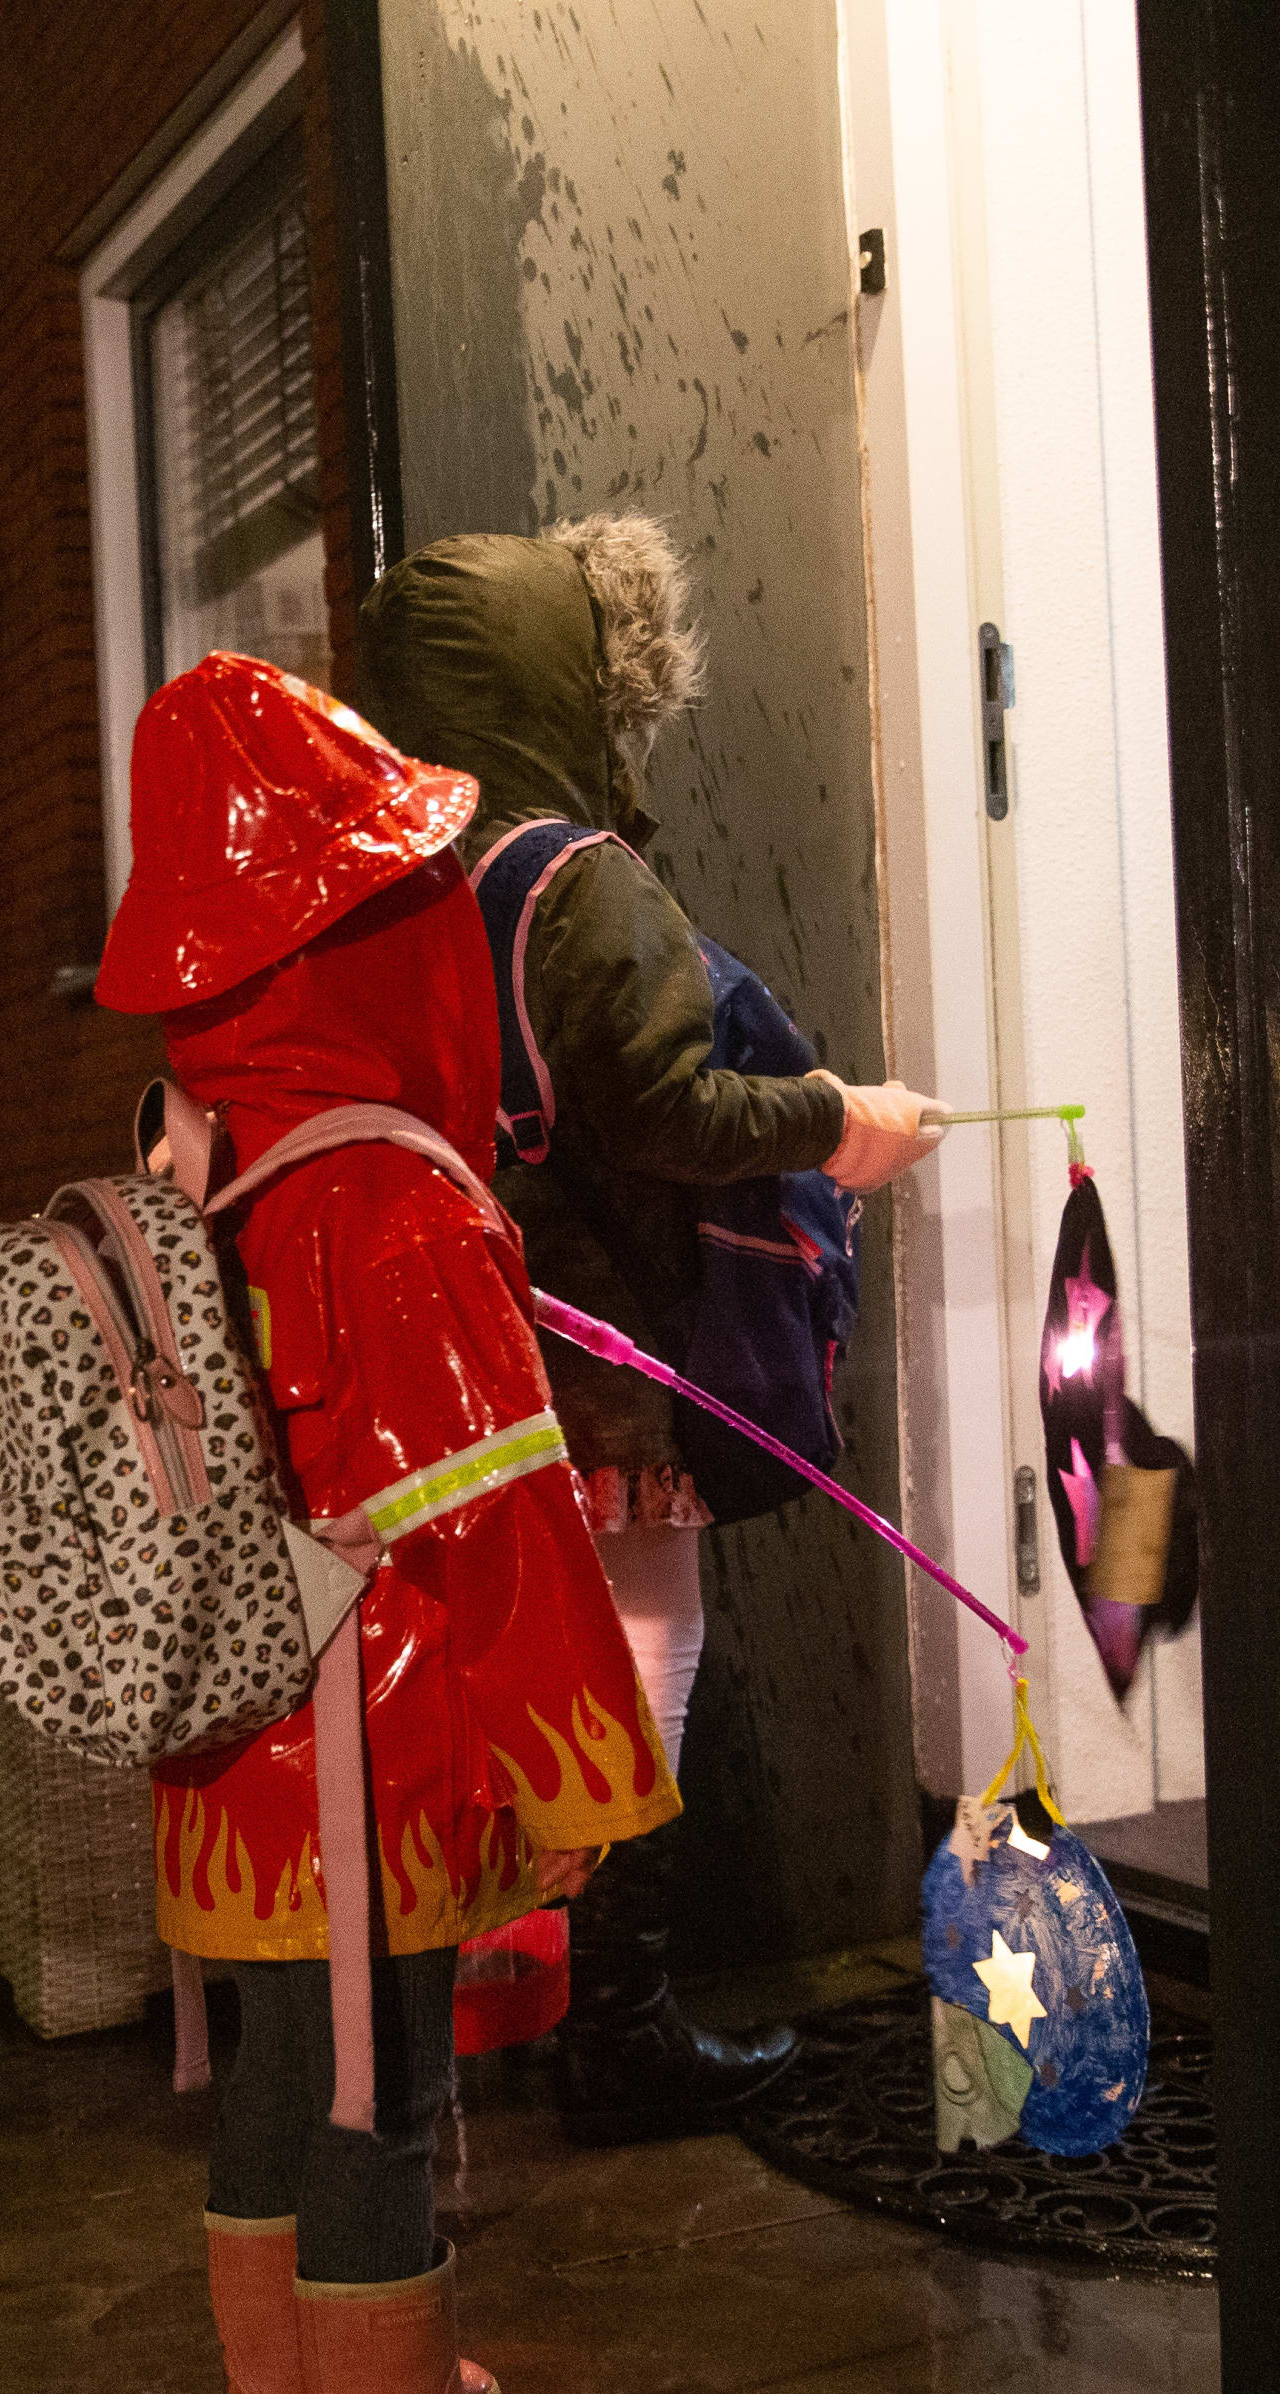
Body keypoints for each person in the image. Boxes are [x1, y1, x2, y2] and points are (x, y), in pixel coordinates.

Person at [99, 649, 684, 2394]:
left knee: (282, 2070)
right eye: (418, 899)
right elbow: (501, 1518)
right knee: (383, 2081)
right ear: (362, 939)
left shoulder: (204, 1148)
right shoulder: (398, 1197)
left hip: (228, 1734)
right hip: (376, 1742)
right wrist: (589, 1770)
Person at [347, 516, 948, 2144]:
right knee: (638, 1653)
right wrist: (839, 1117)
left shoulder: (381, 891)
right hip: (601, 1353)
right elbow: (667, 1110)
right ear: (575, 680)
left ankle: (461, 2016)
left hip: (443, 1362)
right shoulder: (572, 878)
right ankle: (618, 2026)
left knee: (483, 1671)